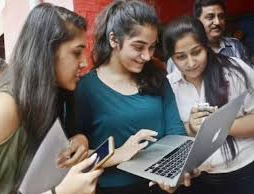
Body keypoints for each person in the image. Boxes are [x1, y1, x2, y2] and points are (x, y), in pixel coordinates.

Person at [68, 1, 199, 194]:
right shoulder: (86, 88)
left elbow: (174, 129)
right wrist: (118, 154)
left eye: (152, 47)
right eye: (138, 47)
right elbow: (77, 154)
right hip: (113, 189)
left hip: (159, 183)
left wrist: (179, 168)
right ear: (114, 40)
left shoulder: (157, 76)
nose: (147, 56)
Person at [0, 3, 103, 194]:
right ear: (47, 51)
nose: (84, 63)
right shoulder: (4, 108)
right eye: (77, 52)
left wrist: (79, 141)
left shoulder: (51, 93)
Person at [163, 16, 254, 194]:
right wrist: (190, 127)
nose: (191, 63)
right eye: (181, 57)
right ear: (172, 58)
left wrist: (219, 125)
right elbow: (171, 134)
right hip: (198, 177)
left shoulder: (235, 71)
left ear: (206, 46)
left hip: (244, 169)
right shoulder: (169, 86)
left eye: (197, 52)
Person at [166, 0, 253, 73]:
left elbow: (250, 77)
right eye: (210, 17)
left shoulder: (235, 46)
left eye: (221, 16)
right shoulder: (180, 56)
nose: (217, 22)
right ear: (197, 21)